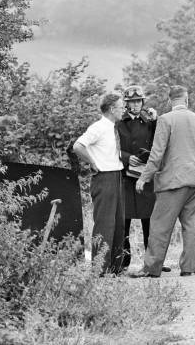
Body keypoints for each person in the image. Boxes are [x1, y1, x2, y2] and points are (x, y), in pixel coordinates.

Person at [131, 86, 195, 278]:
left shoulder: (166, 120)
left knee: (160, 225)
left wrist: (144, 177)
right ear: (187, 99)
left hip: (173, 182)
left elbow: (157, 154)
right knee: (192, 226)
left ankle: (151, 268)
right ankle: (188, 268)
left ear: (169, 101)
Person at [117, 85, 170, 272]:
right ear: (126, 104)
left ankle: (153, 261)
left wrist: (156, 121)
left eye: (138, 101)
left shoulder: (149, 121)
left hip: (145, 175)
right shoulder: (118, 123)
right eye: (132, 102)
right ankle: (123, 262)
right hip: (125, 176)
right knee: (125, 221)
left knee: (150, 221)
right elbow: (111, 146)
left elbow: (160, 140)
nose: (136, 104)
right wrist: (124, 156)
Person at [73, 93, 125, 275]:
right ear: (112, 109)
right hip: (104, 178)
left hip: (117, 176)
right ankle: (99, 269)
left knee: (119, 224)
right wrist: (92, 162)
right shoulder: (99, 127)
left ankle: (115, 268)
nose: (123, 109)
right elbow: (78, 146)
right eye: (121, 107)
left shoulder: (112, 127)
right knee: (105, 224)